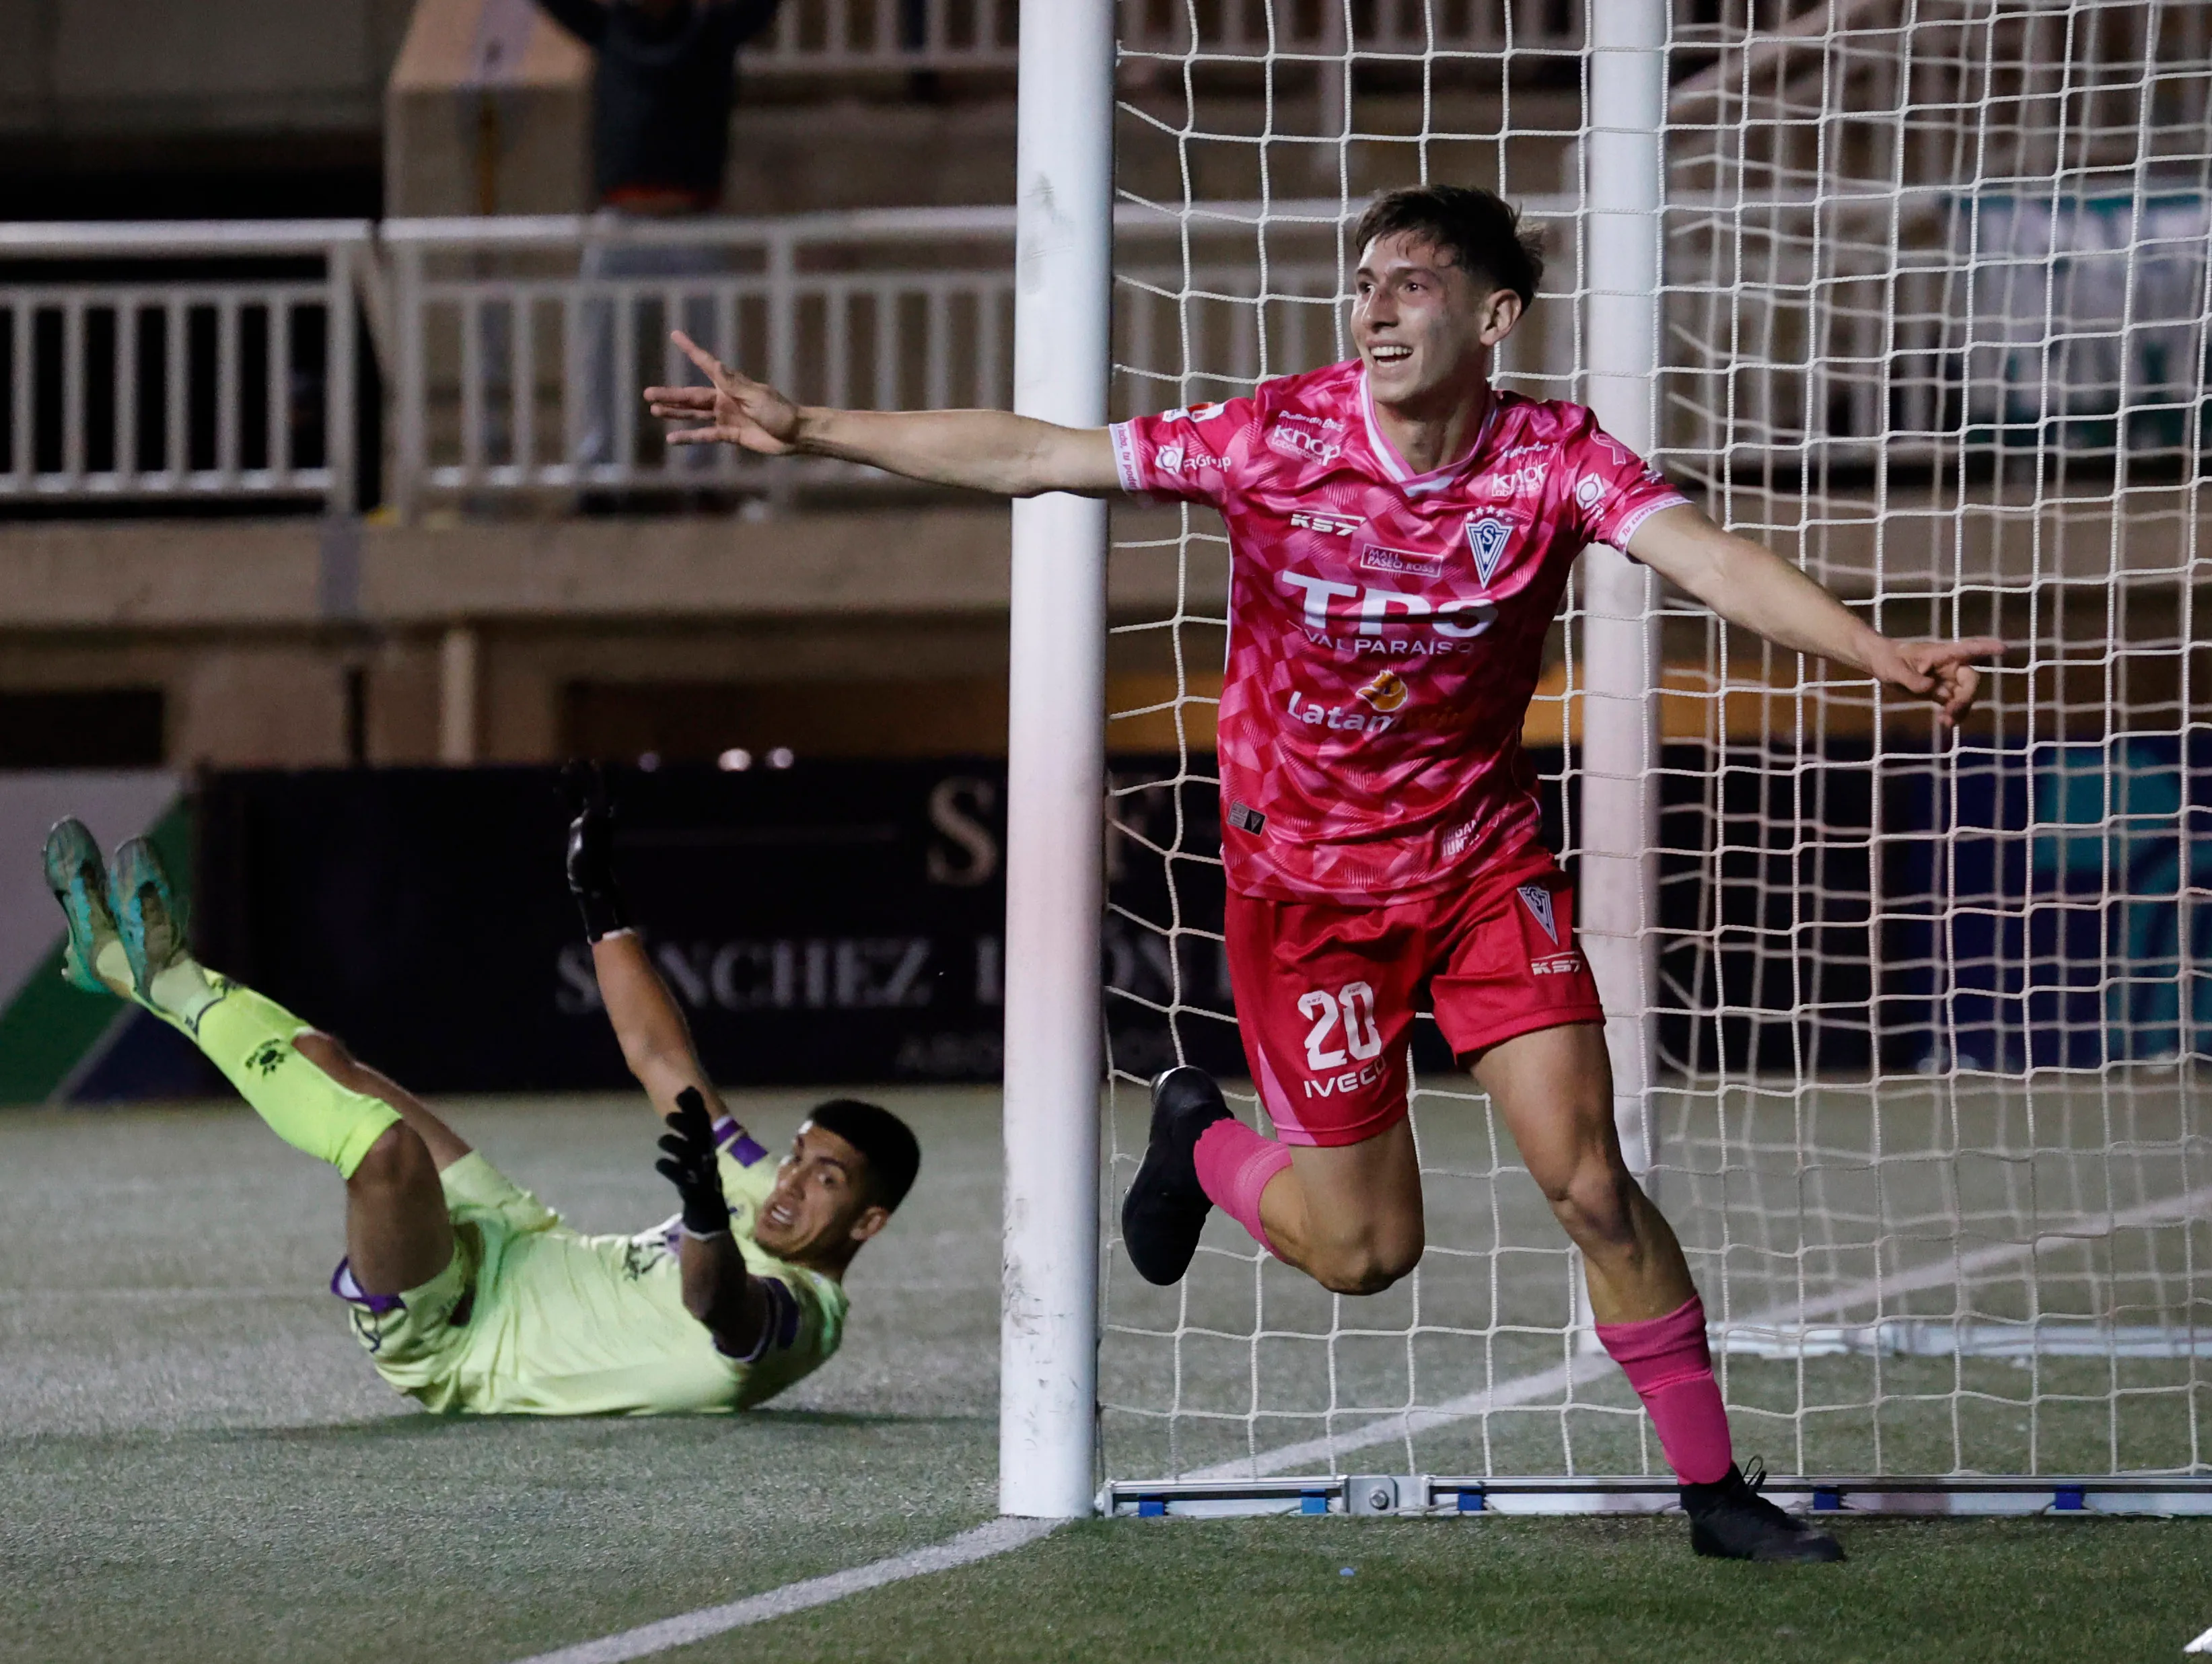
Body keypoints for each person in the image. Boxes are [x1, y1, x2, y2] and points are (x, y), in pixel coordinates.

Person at [645, 184, 2003, 1554]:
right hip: (1306, 902)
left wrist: (1873, 652)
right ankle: (1200, 1137)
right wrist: (810, 426)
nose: (1374, 304)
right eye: (1365, 281)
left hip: (1482, 870)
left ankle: (1715, 1496)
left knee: (1591, 1182)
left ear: (1494, 315)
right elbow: (1035, 454)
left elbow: (1703, 557)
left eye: (1411, 281)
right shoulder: (1273, 437)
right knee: (1366, 1255)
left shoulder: (1553, 460)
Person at [37, 774, 917, 1416]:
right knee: (326, 1058)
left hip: (463, 1336)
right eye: (801, 1155)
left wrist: (703, 1219)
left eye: (827, 1179)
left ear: (867, 1223)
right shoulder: (763, 1185)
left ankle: (149, 975)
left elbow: (722, 1309)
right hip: (524, 1243)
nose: (793, 1181)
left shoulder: (810, 1318)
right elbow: (658, 1056)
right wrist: (598, 899)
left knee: (384, 1153)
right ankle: (131, 969)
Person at [532, 0, 783, 466]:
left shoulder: (711, 32)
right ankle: (599, 473)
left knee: (705, 363)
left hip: (693, 222)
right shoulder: (610, 30)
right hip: (621, 224)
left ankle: (701, 475)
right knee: (600, 356)